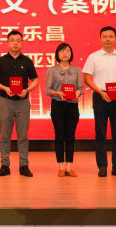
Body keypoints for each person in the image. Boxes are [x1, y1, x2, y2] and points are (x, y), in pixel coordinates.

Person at [82, 26, 116, 178]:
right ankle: (102, 167)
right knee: (101, 133)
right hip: (100, 97)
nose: (108, 39)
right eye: (104, 36)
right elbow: (87, 78)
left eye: (111, 36)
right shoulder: (93, 57)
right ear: (100, 39)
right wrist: (100, 92)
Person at [0, 30, 39, 177]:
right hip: (5, 101)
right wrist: (4, 88)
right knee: (5, 135)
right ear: (7, 42)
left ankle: (24, 165)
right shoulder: (1, 61)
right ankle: (5, 165)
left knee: (23, 136)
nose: (15, 43)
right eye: (12, 40)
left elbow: (35, 80)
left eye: (18, 40)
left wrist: (27, 89)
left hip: (23, 102)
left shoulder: (27, 61)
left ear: (21, 43)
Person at [45, 42, 84, 177]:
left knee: (70, 136)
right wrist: (57, 93)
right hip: (58, 105)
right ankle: (61, 166)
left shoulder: (77, 70)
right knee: (59, 136)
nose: (65, 53)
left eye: (67, 51)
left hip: (72, 106)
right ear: (57, 54)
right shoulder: (52, 70)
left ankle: (69, 167)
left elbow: (81, 89)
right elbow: (48, 90)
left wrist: (77, 93)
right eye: (62, 51)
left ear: (71, 53)